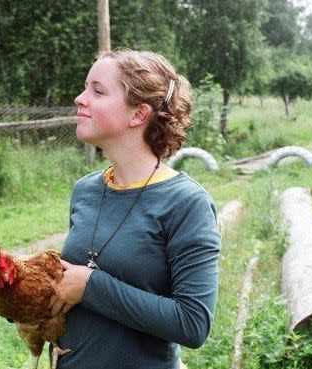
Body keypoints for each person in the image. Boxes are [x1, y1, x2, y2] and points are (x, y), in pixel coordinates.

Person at [50, 49, 221, 369]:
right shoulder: (85, 190)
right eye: (85, 88)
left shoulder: (187, 204)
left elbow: (193, 324)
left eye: (97, 91)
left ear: (138, 115)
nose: (80, 98)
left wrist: (91, 286)